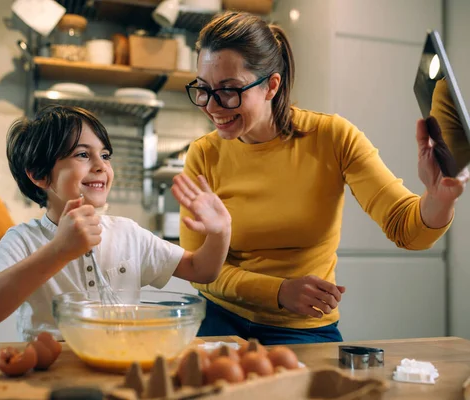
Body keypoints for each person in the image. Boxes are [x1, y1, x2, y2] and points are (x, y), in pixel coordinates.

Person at [179, 11, 469, 344]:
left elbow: (408, 231)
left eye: (229, 91)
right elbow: (196, 268)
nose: (213, 107)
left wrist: (439, 198)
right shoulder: (203, 154)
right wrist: (278, 291)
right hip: (220, 322)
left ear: (271, 85)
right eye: (203, 89)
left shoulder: (333, 137)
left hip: (303, 328)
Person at [0, 105, 231, 340]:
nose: (101, 165)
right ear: (39, 175)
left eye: (105, 155)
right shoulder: (23, 240)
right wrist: (59, 251)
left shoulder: (128, 233)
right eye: (82, 155)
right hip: (48, 373)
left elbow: (201, 269)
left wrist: (220, 232)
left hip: (117, 365)